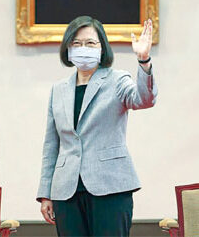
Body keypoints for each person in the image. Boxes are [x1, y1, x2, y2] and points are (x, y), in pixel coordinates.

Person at [37, 16, 157, 237]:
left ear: (102, 48)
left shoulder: (117, 80)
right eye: (76, 43)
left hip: (110, 186)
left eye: (90, 43)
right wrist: (46, 193)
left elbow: (144, 99)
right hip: (66, 191)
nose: (83, 48)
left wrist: (143, 60)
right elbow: (51, 145)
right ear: (68, 49)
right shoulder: (58, 89)